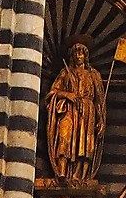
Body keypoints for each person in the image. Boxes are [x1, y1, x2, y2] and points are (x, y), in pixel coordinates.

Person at [45, 41, 106, 180]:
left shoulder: (93, 75)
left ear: (86, 56)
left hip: (87, 110)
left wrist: (101, 120)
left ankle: (80, 176)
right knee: (64, 136)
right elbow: (53, 92)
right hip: (69, 109)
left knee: (84, 144)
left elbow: (99, 100)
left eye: (82, 53)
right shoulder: (66, 72)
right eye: (76, 53)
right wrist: (67, 95)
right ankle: (62, 171)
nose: (79, 56)